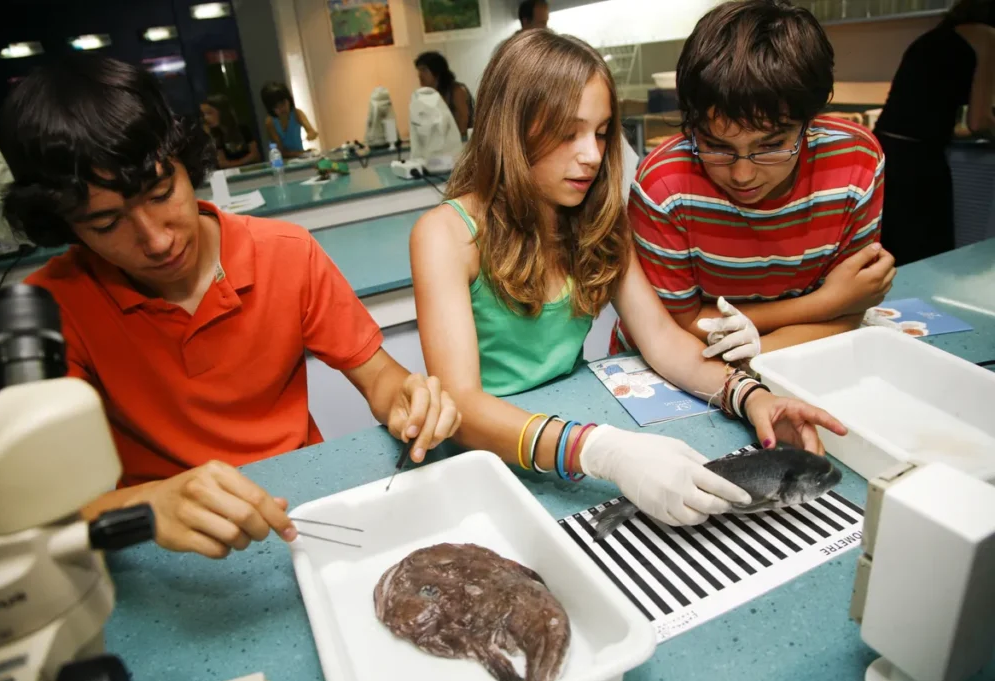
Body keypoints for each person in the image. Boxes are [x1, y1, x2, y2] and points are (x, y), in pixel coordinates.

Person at [0, 56, 461, 559]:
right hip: (162, 545)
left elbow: (380, 381)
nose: (155, 240)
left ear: (186, 163)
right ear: (64, 226)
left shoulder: (285, 252)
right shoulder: (52, 309)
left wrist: (410, 399)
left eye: (161, 193)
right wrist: (148, 504)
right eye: (106, 224)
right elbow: (36, 513)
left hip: (304, 518)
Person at [410, 29, 847, 529]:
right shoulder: (445, 235)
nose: (593, 155)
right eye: (568, 133)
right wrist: (603, 450)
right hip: (490, 457)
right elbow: (462, 407)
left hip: (568, 439)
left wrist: (751, 396)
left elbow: (661, 338)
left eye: (600, 132)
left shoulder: (599, 220)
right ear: (509, 129)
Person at [610, 0, 897, 363]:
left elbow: (855, 306)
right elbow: (673, 327)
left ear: (809, 121)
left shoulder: (855, 162)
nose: (743, 175)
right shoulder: (665, 184)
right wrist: (827, 302)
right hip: (669, 367)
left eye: (772, 146)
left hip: (803, 356)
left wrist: (767, 346)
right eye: (716, 146)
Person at [874, 0, 995, 266]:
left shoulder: (934, 37)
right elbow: (980, 120)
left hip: (884, 149)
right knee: (926, 249)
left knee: (888, 248)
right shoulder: (986, 36)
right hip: (919, 159)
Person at [414, 52, 474, 137]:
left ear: (436, 70)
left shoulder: (457, 90)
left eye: (424, 70)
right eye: (419, 71)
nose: (420, 75)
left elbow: (463, 121)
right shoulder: (428, 96)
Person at [200, 93, 261, 169]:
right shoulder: (215, 135)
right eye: (204, 114)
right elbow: (221, 163)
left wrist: (236, 164)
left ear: (222, 112)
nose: (206, 118)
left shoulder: (242, 129)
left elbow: (255, 155)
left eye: (210, 113)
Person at [261, 81, 318, 158]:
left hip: (300, 159)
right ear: (270, 108)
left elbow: (310, 130)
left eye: (283, 103)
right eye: (276, 107)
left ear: (289, 99)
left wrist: (311, 134)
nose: (281, 108)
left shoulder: (297, 113)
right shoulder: (270, 122)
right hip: (281, 163)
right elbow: (280, 151)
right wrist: (302, 153)